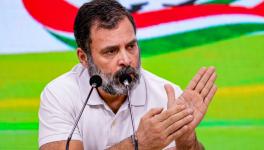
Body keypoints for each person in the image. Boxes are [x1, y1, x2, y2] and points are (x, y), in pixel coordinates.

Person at [38, 0, 217, 150]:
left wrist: (186, 140)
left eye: (131, 46)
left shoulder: (167, 95)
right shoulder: (60, 94)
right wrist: (138, 143)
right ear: (84, 58)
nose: (126, 59)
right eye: (111, 51)